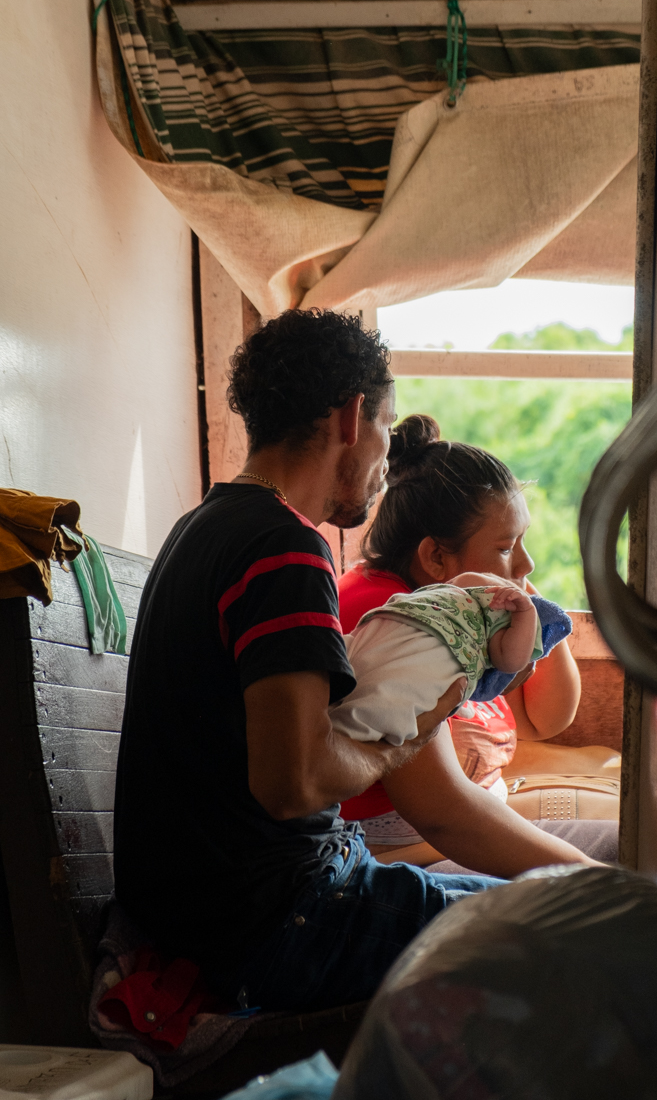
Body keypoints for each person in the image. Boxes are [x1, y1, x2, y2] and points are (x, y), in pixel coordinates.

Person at [113, 310, 595, 1019]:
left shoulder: (204, 528)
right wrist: (401, 735)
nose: (381, 462)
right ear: (351, 416)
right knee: (585, 939)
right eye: (383, 428)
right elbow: (293, 782)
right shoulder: (284, 548)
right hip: (280, 923)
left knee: (562, 908)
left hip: (231, 912)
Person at [338, 414, 618, 868]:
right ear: (435, 557)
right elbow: (444, 815)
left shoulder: (455, 611)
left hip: (460, 820)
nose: (526, 563)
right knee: (633, 858)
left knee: (643, 840)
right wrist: (591, 879)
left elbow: (543, 719)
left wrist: (523, 595)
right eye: (508, 546)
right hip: (405, 851)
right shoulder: (399, 623)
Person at [333, 572, 541, 745]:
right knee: (386, 706)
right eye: (504, 549)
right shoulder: (501, 606)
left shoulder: (483, 598)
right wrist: (528, 611)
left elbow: (511, 662)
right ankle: (338, 739)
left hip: (389, 621)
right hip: (439, 643)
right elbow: (511, 661)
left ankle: (324, 723)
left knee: (343, 664)